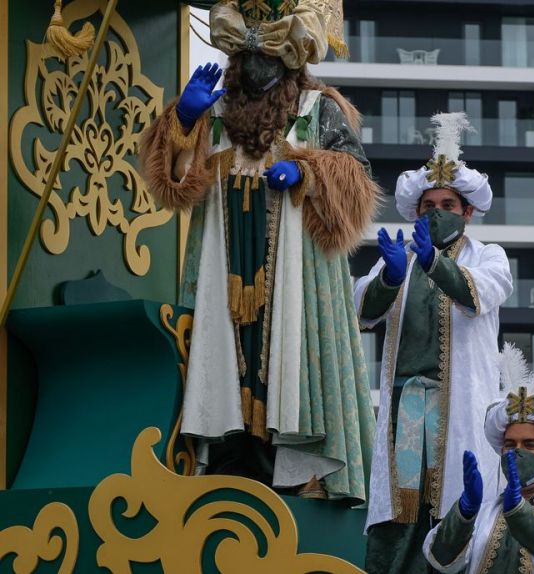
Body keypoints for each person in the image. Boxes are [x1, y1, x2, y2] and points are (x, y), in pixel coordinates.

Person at [140, 0, 377, 500]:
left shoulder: (317, 109)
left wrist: (308, 171)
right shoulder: (217, 108)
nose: (255, 66)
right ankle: (227, 465)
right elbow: (173, 182)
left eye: (266, 55)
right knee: (221, 364)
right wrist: (183, 119)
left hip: (297, 279)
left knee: (288, 369)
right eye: (246, 56)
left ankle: (289, 475)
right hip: (221, 262)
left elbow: (356, 182)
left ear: (290, 58)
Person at [353, 112, 513, 573]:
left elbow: (479, 295)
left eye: (447, 204)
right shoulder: (398, 257)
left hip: (459, 405)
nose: (437, 212)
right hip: (406, 406)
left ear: (468, 211)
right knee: (402, 510)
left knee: (455, 508)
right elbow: (361, 311)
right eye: (428, 206)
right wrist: (390, 277)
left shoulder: (488, 255)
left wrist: (435, 264)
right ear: (416, 212)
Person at [424, 312, 534, 573]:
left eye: (530, 445)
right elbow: (437, 559)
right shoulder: (484, 511)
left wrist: (520, 514)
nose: (517, 452)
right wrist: (464, 513)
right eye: (510, 444)